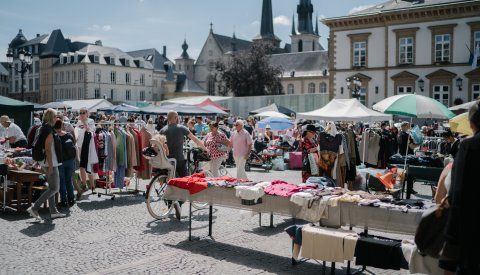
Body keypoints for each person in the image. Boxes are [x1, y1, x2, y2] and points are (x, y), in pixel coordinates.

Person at [443, 101, 480, 274]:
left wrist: (451, 238)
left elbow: (457, 193)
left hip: (471, 231)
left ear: (471, 123)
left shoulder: (469, 146)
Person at [159, 111, 207, 219]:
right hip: (179, 160)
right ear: (176, 118)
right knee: (186, 181)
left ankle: (170, 203)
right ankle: (179, 203)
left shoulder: (163, 130)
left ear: (168, 118)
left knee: (170, 181)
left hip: (167, 160)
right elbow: (195, 139)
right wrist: (205, 148)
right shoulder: (181, 128)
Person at [27, 108, 66, 221]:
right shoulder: (48, 130)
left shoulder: (42, 128)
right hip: (50, 162)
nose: (56, 118)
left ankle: (53, 211)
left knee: (51, 187)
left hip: (45, 161)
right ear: (50, 118)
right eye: (54, 116)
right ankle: (34, 207)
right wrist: (50, 166)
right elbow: (48, 150)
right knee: (55, 188)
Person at [54, 119, 77, 207]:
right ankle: (71, 199)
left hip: (61, 162)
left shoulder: (55, 136)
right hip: (71, 160)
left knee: (62, 181)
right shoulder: (68, 135)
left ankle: (64, 201)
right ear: (62, 126)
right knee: (69, 180)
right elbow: (74, 143)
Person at [75, 107, 96, 194]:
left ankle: (92, 186)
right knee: (81, 166)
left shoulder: (90, 121)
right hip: (79, 146)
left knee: (89, 166)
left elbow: (90, 131)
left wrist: (84, 122)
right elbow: (76, 132)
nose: (82, 114)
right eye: (80, 112)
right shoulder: (78, 122)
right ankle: (84, 184)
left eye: (84, 112)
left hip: (87, 146)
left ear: (87, 113)